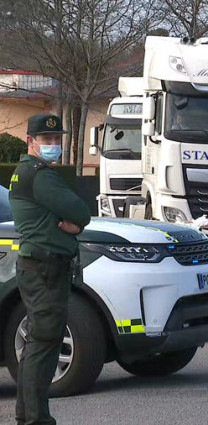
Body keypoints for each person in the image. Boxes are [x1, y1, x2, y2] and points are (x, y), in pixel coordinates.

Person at [9, 113, 91, 425]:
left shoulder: (23, 172)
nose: (54, 144)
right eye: (47, 140)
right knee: (43, 346)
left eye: (57, 139)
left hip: (39, 267)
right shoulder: (40, 175)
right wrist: (74, 225)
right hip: (45, 269)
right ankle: (35, 420)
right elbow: (81, 211)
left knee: (36, 346)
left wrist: (71, 226)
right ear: (31, 142)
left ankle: (27, 416)